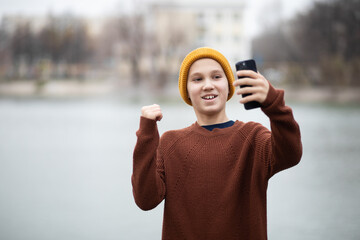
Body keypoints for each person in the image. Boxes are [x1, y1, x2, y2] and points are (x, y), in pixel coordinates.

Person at [132, 47, 302, 240]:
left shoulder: (253, 137)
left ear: (229, 86)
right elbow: (145, 199)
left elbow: (291, 154)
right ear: (186, 91)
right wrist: (146, 134)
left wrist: (273, 104)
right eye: (197, 79)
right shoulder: (170, 143)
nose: (208, 85)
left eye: (216, 77)